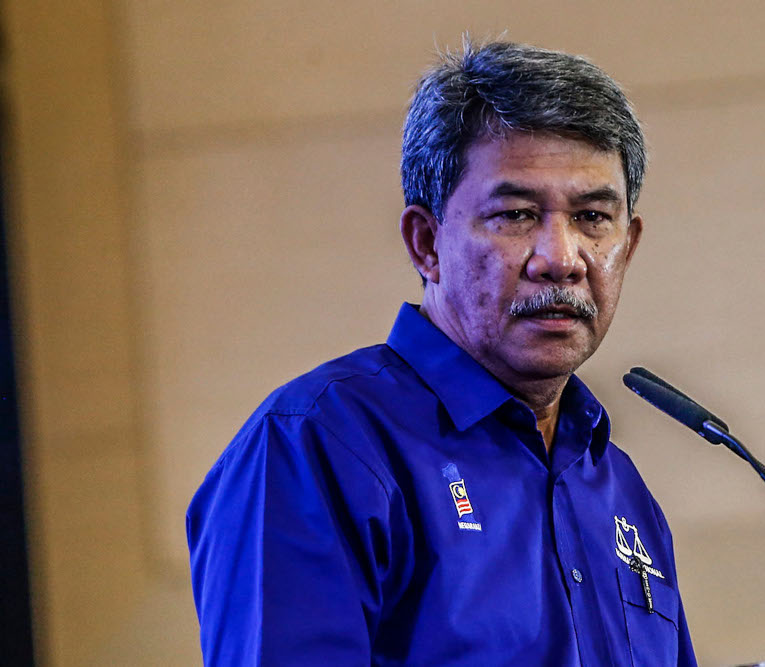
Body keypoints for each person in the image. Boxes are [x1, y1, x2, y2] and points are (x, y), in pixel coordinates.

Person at [187, 40, 698, 666]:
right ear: (426, 242)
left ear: (630, 243)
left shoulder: (618, 486)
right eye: (516, 214)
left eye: (593, 217)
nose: (562, 258)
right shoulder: (316, 445)